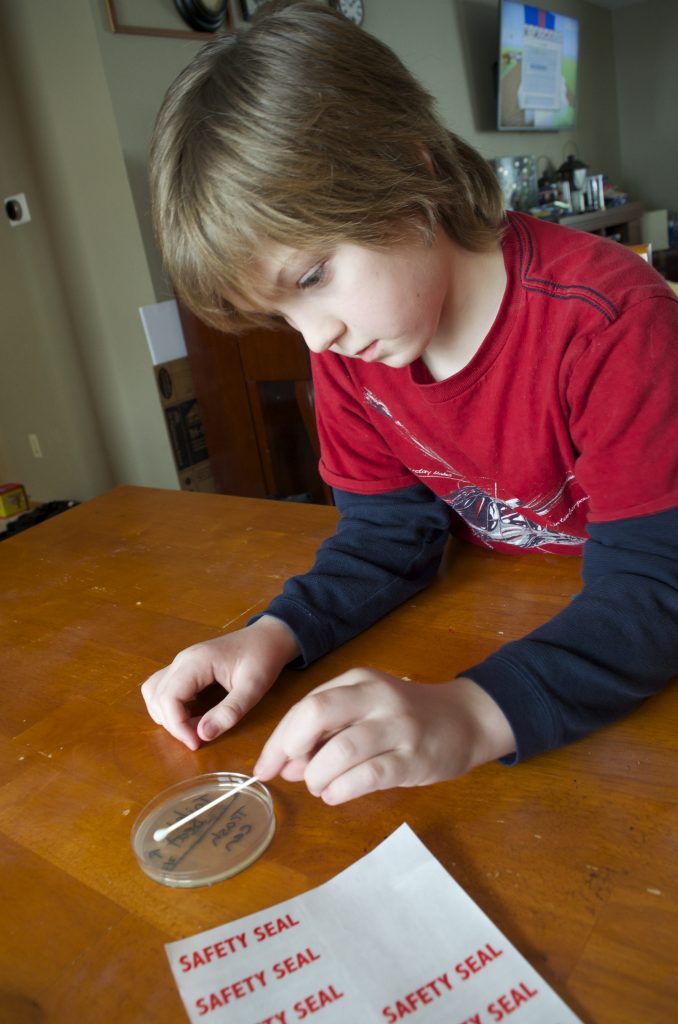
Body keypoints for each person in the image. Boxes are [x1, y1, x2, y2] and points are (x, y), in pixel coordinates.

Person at [142, 0, 678, 805]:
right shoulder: (355, 351)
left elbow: (656, 584)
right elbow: (387, 534)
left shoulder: (609, 320)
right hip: (517, 612)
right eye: (280, 313)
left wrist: (469, 712)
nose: (315, 338)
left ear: (411, 166)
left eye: (313, 276)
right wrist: (275, 634)